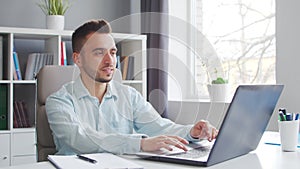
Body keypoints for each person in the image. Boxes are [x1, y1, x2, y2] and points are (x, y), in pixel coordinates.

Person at [45, 19, 218, 155]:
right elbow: (78, 139)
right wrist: (140, 143)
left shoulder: (129, 96)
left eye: (112, 52)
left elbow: (160, 127)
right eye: (99, 52)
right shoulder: (59, 101)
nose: (109, 61)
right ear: (77, 59)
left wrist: (192, 132)